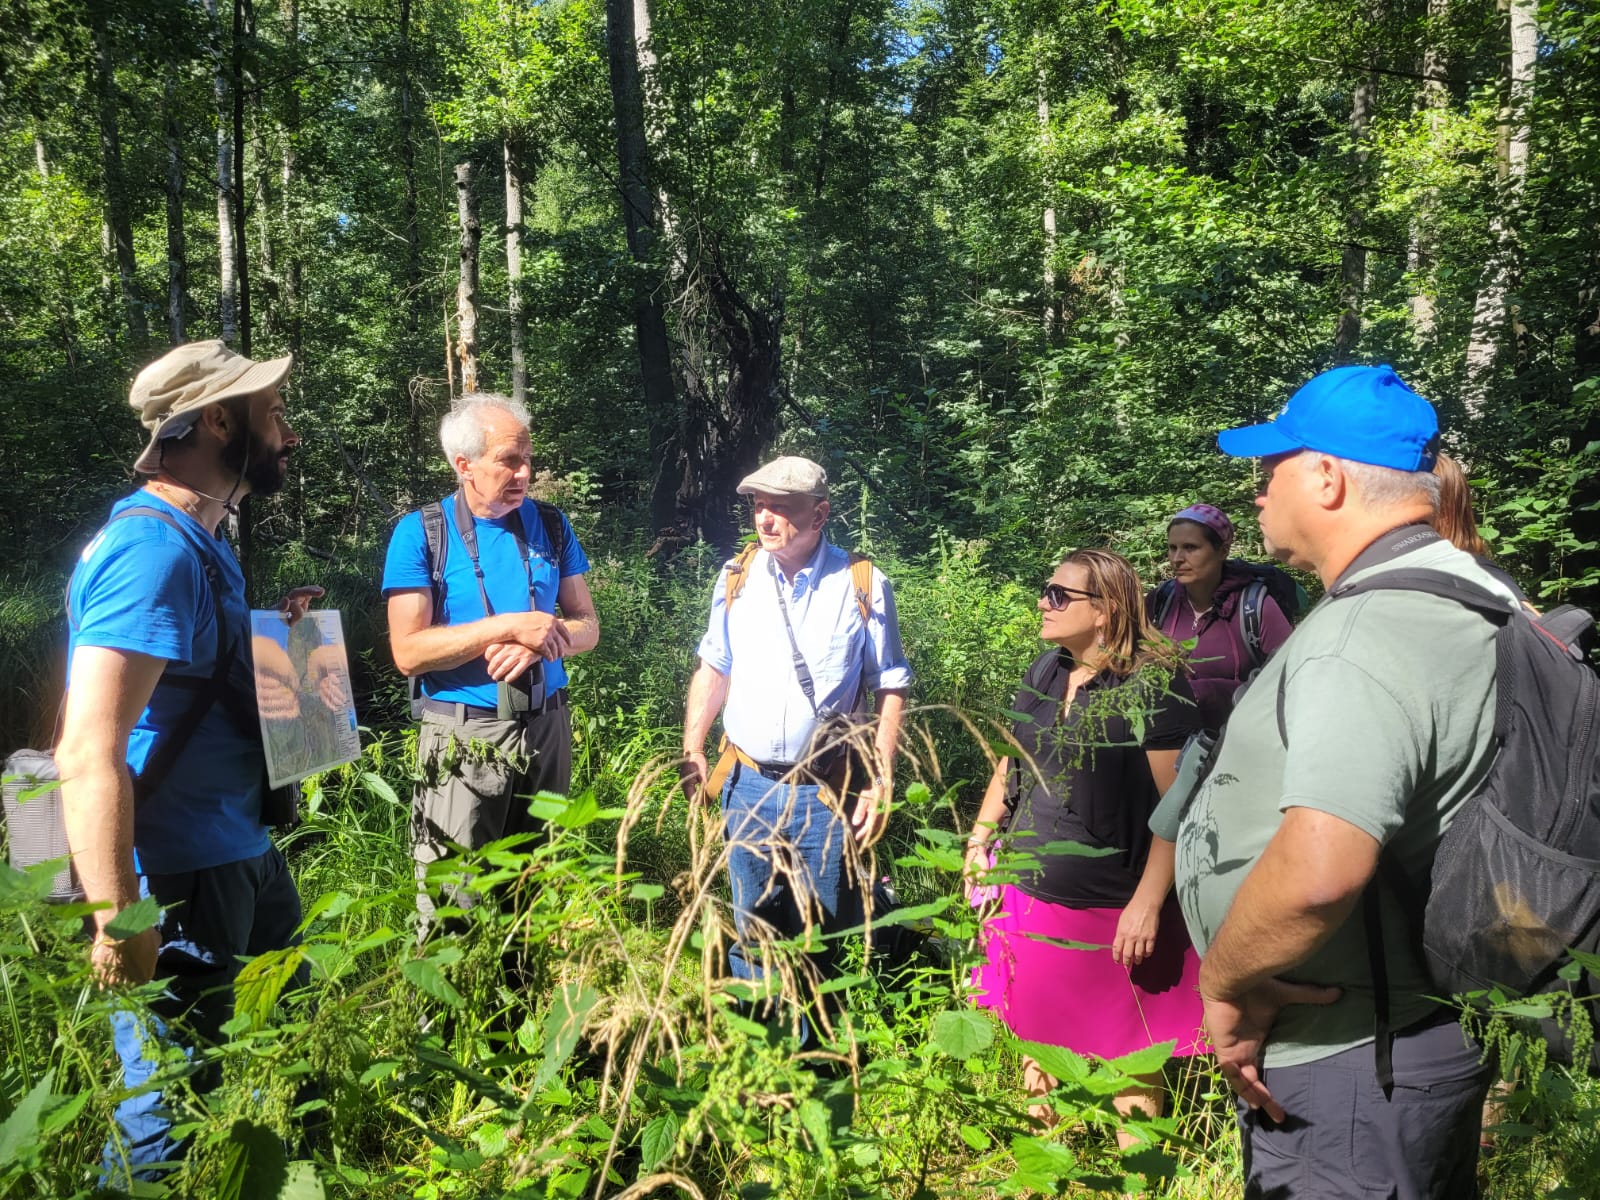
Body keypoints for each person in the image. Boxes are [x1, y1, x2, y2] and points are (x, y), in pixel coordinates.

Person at [1171, 364, 1506, 1199]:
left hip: (1354, 1066)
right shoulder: (1474, 594)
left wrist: (1225, 985)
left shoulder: (1365, 630)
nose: (1255, 497)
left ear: (1327, 477)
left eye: (1268, 471)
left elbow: (1321, 873)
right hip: (1411, 1038)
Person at [53, 339, 324, 1183]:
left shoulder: (191, 538)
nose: (288, 434)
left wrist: (276, 643)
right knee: (166, 1105)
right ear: (214, 420)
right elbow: (89, 746)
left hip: (234, 847)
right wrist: (118, 920)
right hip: (178, 875)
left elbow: (182, 680)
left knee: (299, 1011)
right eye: (272, 413)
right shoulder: (155, 552)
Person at [965, 548, 1204, 1136]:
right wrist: (980, 837)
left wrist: (1148, 903)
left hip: (1115, 903)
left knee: (1131, 1052)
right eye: (1046, 591)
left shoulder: (1152, 681)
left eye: (1058, 595)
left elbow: (1181, 803)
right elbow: (1012, 758)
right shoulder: (1046, 668)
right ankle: (1040, 1165)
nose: (1044, 604)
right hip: (1028, 888)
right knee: (1033, 1033)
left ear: (1106, 610)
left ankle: (1138, 1176)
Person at [679, 456, 911, 1034]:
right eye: (759, 505)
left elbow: (891, 684)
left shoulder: (861, 584)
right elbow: (715, 665)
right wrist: (694, 746)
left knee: (820, 931)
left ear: (820, 513)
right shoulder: (736, 577)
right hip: (747, 783)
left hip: (825, 791)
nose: (766, 518)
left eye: (781, 507)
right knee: (748, 929)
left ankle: (816, 1064)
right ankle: (752, 1058)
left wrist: (879, 778)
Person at [383, 393, 598, 931]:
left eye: (528, 458)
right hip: (464, 737)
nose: (526, 472)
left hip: (548, 727)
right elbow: (407, 652)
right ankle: (449, 1014)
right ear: (464, 465)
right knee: (455, 901)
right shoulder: (421, 533)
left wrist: (539, 638)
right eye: (510, 460)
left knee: (536, 890)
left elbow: (586, 626)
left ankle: (524, 1009)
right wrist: (507, 626)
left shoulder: (550, 524)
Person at [1146, 504, 1293, 732]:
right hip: (1167, 743)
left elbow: (1289, 682)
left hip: (1237, 745)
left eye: (1190, 547)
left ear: (1223, 551)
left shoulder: (1255, 607)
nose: (1177, 558)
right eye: (1172, 548)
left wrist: (1208, 692)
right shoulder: (1162, 601)